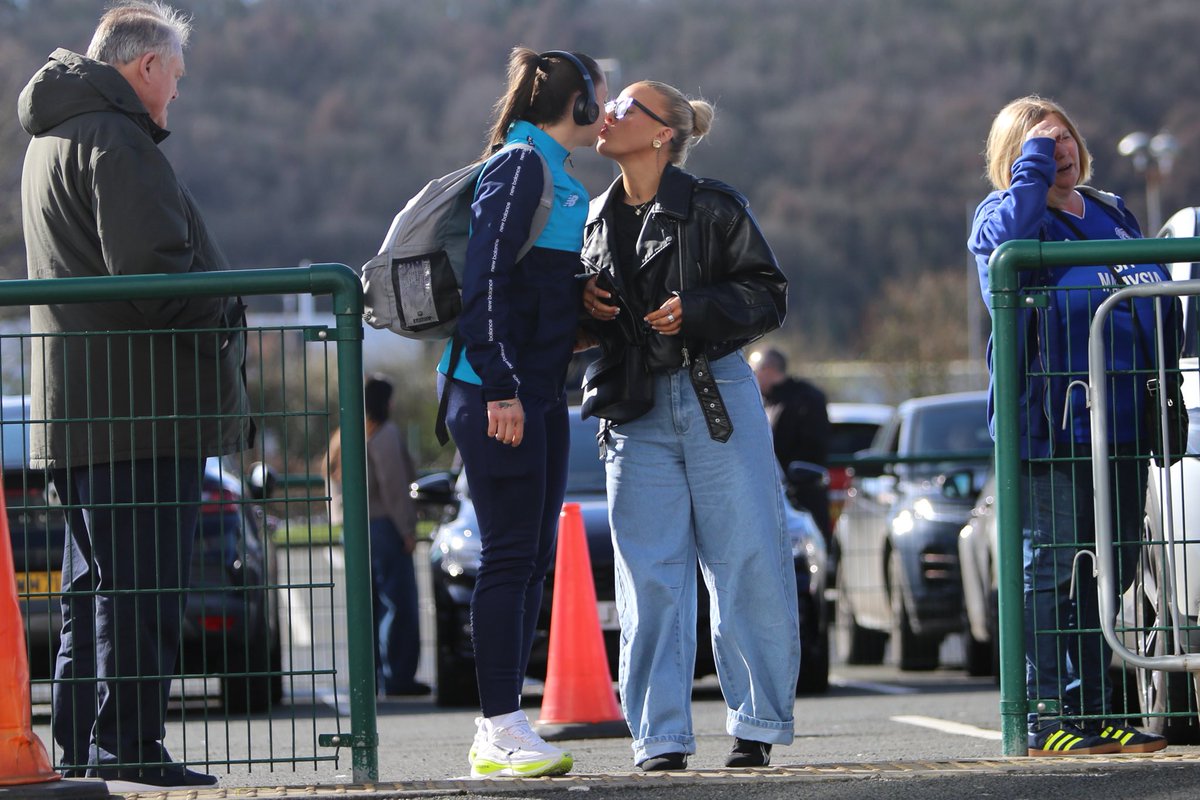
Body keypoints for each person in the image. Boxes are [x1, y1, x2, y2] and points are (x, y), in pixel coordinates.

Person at [18, 0, 252, 789]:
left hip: (82, 405)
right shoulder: (117, 140)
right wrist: (224, 304)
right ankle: (131, 745)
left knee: (93, 590)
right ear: (144, 66)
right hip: (141, 408)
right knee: (142, 587)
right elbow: (155, 278)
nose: (177, 95)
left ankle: (86, 747)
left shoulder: (53, 139)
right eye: (175, 76)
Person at [581, 81, 797, 771]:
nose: (607, 113)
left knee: (748, 562)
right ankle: (660, 738)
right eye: (609, 104)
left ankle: (756, 725)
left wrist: (697, 309)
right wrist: (581, 302)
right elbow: (581, 330)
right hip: (633, 409)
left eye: (625, 108)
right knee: (648, 579)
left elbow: (767, 293)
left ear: (663, 134)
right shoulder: (592, 218)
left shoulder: (712, 205)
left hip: (716, 395)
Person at [969, 95, 1176, 757]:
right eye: (1041, 144)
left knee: (1108, 571)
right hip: (1051, 426)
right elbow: (1007, 244)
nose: (1060, 152)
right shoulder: (1002, 214)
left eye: (1065, 140)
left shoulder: (1112, 210)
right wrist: (1029, 171)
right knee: (1051, 570)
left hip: (1122, 424)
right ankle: (1046, 714)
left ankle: (1093, 712)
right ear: (1015, 156)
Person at [438, 47, 606, 778]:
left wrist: (583, 309)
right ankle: (498, 729)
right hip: (494, 390)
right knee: (509, 556)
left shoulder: (556, 174)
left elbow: (535, 289)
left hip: (535, 390)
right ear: (580, 104)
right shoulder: (521, 166)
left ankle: (506, 724)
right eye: (599, 98)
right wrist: (501, 384)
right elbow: (487, 280)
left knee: (532, 557)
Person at [326, 376, 428, 697]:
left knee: (365, 607)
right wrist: (407, 529)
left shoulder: (344, 437)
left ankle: (369, 680)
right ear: (385, 402)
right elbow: (395, 488)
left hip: (353, 530)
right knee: (400, 605)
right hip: (385, 525)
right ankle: (399, 677)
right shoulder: (384, 435)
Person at [752, 347, 833, 539]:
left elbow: (814, 447)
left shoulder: (806, 399)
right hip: (775, 494)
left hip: (805, 495)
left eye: (754, 371)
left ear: (769, 369)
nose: (752, 378)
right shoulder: (765, 402)